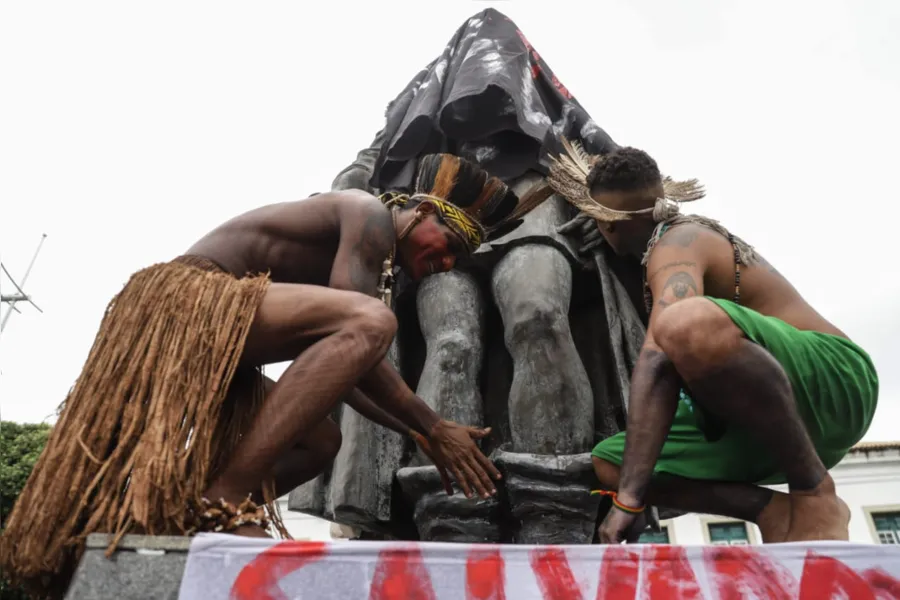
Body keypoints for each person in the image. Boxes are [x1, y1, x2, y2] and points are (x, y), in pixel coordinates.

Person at [0, 153, 546, 596]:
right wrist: (433, 424)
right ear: (423, 210)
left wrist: (424, 431)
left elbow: (352, 371)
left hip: (222, 338)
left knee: (321, 441)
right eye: (450, 245)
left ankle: (178, 514)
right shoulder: (369, 216)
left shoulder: (374, 266)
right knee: (370, 321)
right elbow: (364, 333)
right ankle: (222, 501)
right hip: (186, 303)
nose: (447, 264)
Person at [548, 139, 879, 544]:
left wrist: (629, 502)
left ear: (608, 224)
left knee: (685, 322)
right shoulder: (655, 251)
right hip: (764, 422)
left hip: (835, 385)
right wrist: (628, 488)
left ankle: (813, 492)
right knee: (612, 464)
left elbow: (657, 358)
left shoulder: (677, 242)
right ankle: (773, 511)